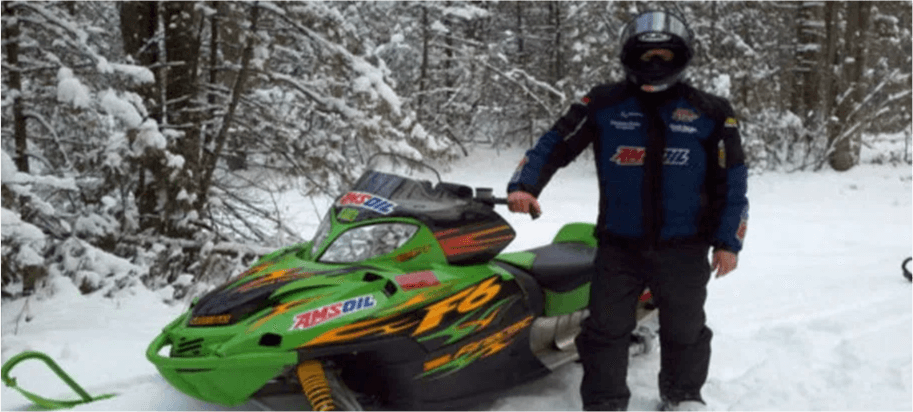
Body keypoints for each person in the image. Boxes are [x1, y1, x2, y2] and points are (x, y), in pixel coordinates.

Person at [505, 10, 749, 412]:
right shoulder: (602, 103)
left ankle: (682, 398)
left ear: (681, 57)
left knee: (685, 330)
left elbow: (734, 182)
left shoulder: (711, 111)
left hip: (685, 247)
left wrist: (729, 242)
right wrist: (524, 185)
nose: (655, 64)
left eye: (664, 56)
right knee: (604, 331)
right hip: (620, 246)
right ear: (629, 56)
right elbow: (555, 142)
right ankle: (604, 404)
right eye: (646, 55)